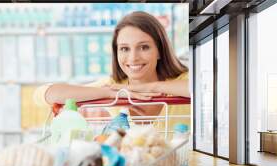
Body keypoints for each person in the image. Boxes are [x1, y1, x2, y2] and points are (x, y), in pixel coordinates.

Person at [34, 11, 190, 131]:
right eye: (124, 49)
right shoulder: (114, 86)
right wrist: (111, 94)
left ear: (160, 51)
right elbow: (45, 94)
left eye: (144, 47)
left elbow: (206, 90)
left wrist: (153, 87)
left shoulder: (184, 81)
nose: (133, 57)